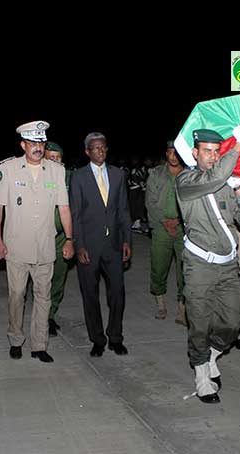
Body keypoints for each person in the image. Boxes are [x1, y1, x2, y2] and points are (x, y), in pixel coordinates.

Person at [175, 126, 240, 402]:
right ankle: (200, 373)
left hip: (227, 265)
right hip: (200, 265)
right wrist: (239, 147)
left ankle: (211, 354)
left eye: (217, 152)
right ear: (194, 153)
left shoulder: (224, 183)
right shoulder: (186, 180)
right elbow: (214, 176)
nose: (212, 156)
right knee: (199, 322)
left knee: (232, 323)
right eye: (207, 151)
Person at [0, 121, 73, 363]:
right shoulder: (8, 169)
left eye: (41, 142)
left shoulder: (56, 171)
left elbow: (64, 208)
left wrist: (69, 239)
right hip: (16, 247)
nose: (38, 147)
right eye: (33, 142)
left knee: (43, 297)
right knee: (16, 295)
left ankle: (39, 345)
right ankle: (16, 338)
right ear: (23, 144)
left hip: (45, 246)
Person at [69, 132, 131, 357]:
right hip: (89, 247)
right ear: (87, 151)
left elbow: (123, 210)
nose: (100, 151)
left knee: (117, 294)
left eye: (103, 147)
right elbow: (75, 214)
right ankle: (97, 339)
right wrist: (79, 245)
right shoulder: (79, 177)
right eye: (95, 148)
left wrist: (126, 240)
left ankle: (115, 337)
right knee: (90, 294)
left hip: (113, 245)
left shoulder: (117, 175)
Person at [145, 141, 186, 325]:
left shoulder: (189, 174)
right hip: (161, 227)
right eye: (170, 152)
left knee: (184, 270)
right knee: (158, 266)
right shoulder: (156, 174)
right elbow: (150, 202)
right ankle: (161, 304)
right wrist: (164, 221)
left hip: (184, 228)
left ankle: (182, 309)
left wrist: (179, 220)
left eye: (176, 153)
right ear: (166, 154)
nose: (174, 156)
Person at [44, 141, 74, 337]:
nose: (55, 161)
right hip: (40, 236)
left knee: (58, 277)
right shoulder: (35, 176)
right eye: (51, 157)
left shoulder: (71, 177)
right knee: (42, 278)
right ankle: (42, 313)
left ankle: (50, 315)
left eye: (58, 157)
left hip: (63, 237)